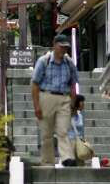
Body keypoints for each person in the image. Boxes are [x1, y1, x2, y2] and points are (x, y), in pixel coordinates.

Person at [31, 35, 78, 166]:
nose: (63, 49)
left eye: (66, 47)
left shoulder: (69, 63)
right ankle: (47, 161)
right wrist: (36, 106)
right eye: (61, 46)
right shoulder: (43, 61)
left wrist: (73, 103)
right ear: (54, 45)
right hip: (46, 96)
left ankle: (67, 157)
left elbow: (73, 84)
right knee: (46, 133)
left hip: (64, 97)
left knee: (63, 130)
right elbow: (34, 84)